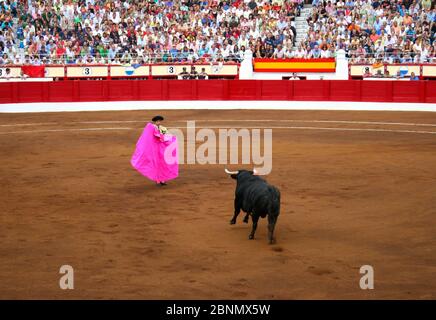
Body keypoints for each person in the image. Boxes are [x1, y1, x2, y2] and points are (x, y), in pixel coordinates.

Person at [131, 116, 178, 186]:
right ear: (155, 122)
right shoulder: (151, 127)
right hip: (154, 149)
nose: (159, 122)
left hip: (161, 149)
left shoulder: (163, 128)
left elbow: (166, 135)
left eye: (159, 121)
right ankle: (157, 180)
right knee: (155, 164)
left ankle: (162, 180)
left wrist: (171, 138)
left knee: (162, 164)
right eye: (157, 121)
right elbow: (147, 137)